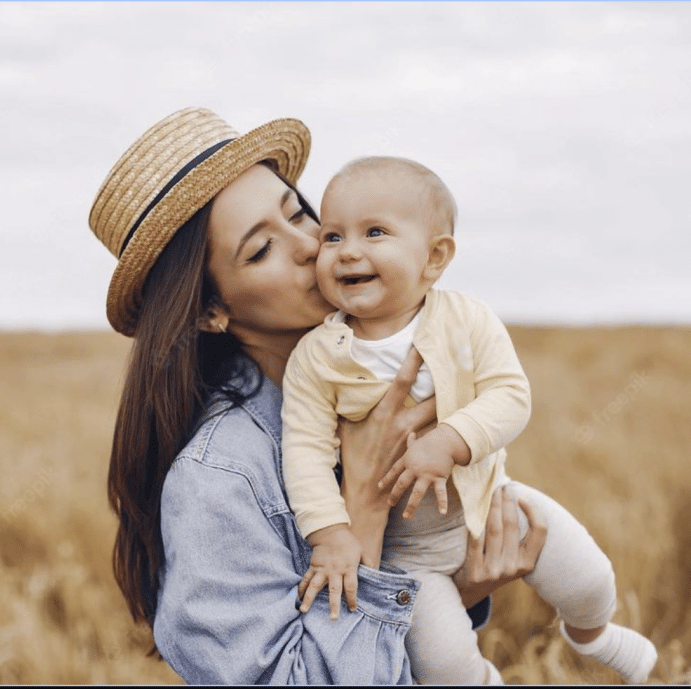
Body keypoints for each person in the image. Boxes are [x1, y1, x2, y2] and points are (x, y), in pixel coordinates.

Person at [87, 107, 548, 684]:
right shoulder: (219, 478)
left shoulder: (376, 383)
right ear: (211, 310)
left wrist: (463, 588)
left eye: (300, 213)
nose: (312, 245)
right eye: (261, 250)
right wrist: (361, 506)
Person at [281, 156, 658, 684]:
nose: (349, 251)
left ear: (434, 258)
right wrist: (330, 535)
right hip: (405, 553)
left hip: (490, 498)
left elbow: (509, 393)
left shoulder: (464, 319)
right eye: (332, 236)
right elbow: (303, 450)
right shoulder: (317, 357)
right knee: (444, 665)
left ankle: (592, 633)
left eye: (375, 232)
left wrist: (452, 440)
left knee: (590, 578)